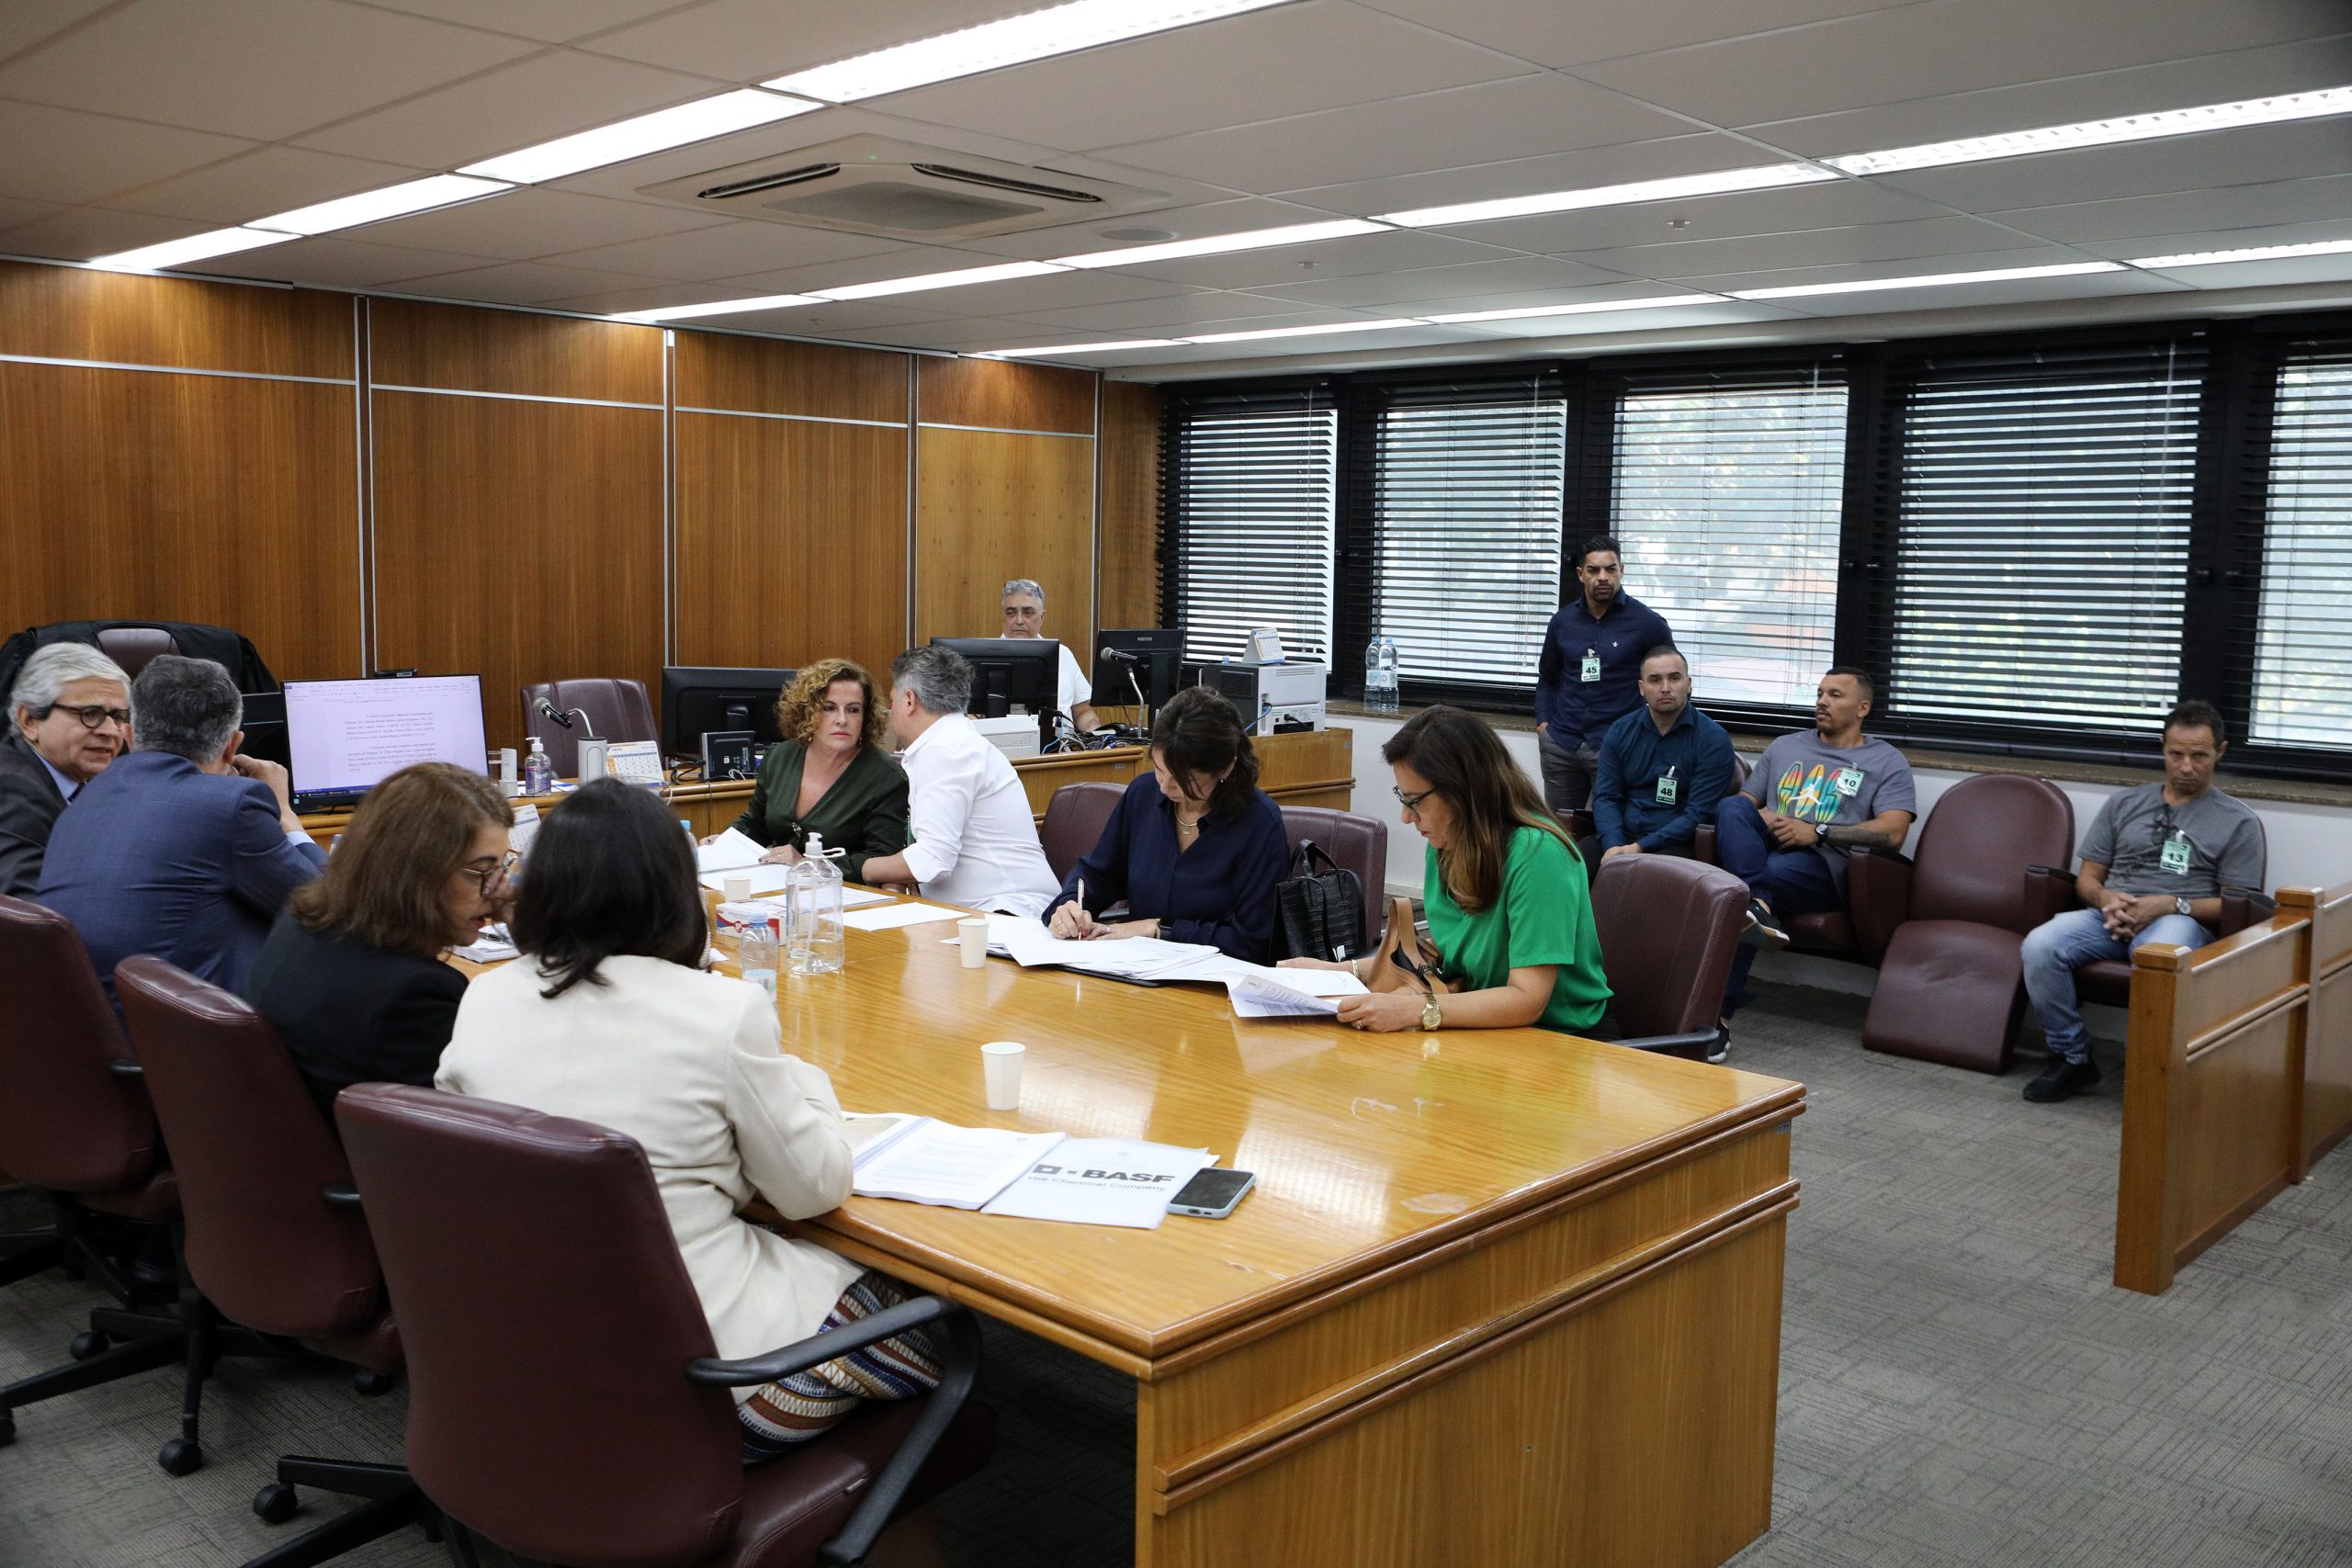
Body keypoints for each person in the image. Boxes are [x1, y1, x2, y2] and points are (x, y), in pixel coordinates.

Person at [437, 780, 943, 1461]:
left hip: (531, 1356)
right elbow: (814, 1189)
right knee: (940, 1324)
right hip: (708, 1382)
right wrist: (807, 1079)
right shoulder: (720, 1013)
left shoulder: (483, 998)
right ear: (675, 892)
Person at [1286, 705, 1609, 1034]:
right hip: (1481, 1024)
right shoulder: (1447, 843)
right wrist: (1340, 971)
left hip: (1559, 1040)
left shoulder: (1539, 854)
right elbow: (1448, 954)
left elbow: (1527, 999)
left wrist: (1413, 1009)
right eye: (1403, 798)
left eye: (1415, 801)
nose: (1406, 817)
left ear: (1463, 791)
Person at [2018, 700, 2266, 1104]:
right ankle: (2072, 1057)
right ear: (2162, 749)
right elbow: (2088, 877)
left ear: (2220, 751)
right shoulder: (2123, 804)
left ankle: (2155, 1070)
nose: (2186, 766)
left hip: (2179, 920)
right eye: (2176, 754)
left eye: (2199, 756)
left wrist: (2170, 904)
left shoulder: (2239, 822)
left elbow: (2235, 906)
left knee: (2156, 952)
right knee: (2040, 945)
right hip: (2108, 915)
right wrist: (2105, 898)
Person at [38, 655, 324, 1003]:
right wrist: (285, 814)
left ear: (128, 735)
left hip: (93, 1035)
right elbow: (332, 908)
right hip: (185, 1042)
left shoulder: (88, 794)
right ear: (233, 746)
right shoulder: (230, 805)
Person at [243, 762, 514, 1117]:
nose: (498, 893)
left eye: (504, 866)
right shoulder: (417, 993)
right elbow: (482, 1126)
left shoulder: (300, 919)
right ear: (418, 873)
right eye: (482, 871)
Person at [1714, 667, 1915, 1026]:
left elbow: (1894, 832)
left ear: (1863, 708)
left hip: (1825, 865)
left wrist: (1818, 832)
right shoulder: (1786, 745)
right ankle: (1758, 905)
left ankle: (1717, 1020)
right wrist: (1765, 817)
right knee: (1731, 807)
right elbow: (1745, 807)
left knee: (1738, 890)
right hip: (1765, 851)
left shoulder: (1886, 761)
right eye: (1820, 693)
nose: (1822, 701)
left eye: (1835, 695)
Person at [1044, 685, 1287, 962]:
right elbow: (1098, 872)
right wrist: (1072, 904)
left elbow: (1252, 941)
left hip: (1217, 985)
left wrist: (1158, 930)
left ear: (1226, 768)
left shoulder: (1259, 823)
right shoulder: (1144, 794)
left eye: (1184, 781)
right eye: (1159, 770)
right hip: (1136, 973)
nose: (1165, 787)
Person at [854, 646, 1059, 918]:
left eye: (892, 701)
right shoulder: (951, 742)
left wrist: (862, 869)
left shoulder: (944, 750)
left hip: (1009, 913)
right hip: (975, 913)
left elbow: (933, 860)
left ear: (909, 701)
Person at [717, 659, 907, 883]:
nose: (842, 720)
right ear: (807, 712)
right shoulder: (780, 757)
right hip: (777, 888)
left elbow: (882, 858)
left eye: (853, 710)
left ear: (865, 717)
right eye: (829, 708)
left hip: (845, 896)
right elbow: (756, 823)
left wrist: (809, 865)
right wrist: (723, 843)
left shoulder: (886, 778)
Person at [1533, 536, 1673, 815]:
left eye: (1610, 569)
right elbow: (1548, 678)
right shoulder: (1562, 622)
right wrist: (1544, 725)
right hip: (1561, 743)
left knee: (1611, 830)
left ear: (1622, 569)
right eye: (1594, 570)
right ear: (1581, 574)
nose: (1603, 577)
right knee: (1562, 832)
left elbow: (1669, 684)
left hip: (1616, 746)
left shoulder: (1648, 624)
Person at [0, 643, 131, 897]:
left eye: (117, 716)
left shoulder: (90, 780)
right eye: (89, 713)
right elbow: (27, 914)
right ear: (29, 721)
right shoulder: (13, 789)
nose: (109, 731)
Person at [1591, 646, 1736, 863]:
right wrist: (1614, 846)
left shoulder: (1713, 740)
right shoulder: (1620, 731)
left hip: (1676, 844)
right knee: (1566, 867)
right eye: (1655, 680)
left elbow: (1698, 815)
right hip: (1622, 837)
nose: (1665, 688)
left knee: (1642, 877)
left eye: (1674, 678)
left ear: (1688, 684)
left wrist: (1639, 848)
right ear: (1642, 687)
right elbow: (1606, 797)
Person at [1001, 578, 1098, 733]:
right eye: (1011, 613)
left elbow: (1082, 711)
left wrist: (1093, 729)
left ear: (1042, 616)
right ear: (1003, 616)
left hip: (1063, 751)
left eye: (1028, 613)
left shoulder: (1063, 654)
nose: (1019, 620)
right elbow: (970, 715)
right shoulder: (982, 657)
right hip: (1003, 754)